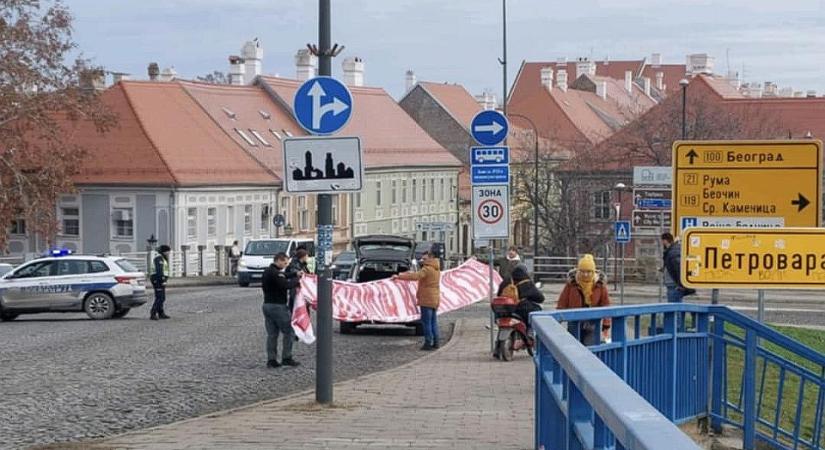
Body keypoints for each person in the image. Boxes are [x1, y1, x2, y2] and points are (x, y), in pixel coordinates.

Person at [556, 254, 611, 346]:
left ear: (593, 271)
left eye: (589, 271)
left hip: (592, 322)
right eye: (582, 271)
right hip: (574, 320)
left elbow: (606, 304)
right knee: (573, 347)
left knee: (590, 349)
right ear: (578, 271)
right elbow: (563, 302)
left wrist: (606, 323)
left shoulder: (600, 285)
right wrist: (558, 319)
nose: (585, 274)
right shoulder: (571, 284)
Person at [393, 250, 441, 351]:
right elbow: (417, 274)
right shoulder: (436, 269)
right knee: (433, 322)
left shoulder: (427, 269)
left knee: (426, 322)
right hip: (434, 299)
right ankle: (436, 342)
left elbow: (415, 276)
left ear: (431, 257)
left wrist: (399, 277)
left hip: (426, 299)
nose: (422, 260)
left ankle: (428, 343)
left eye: (425, 258)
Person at [261, 252, 303, 368]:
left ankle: (271, 360)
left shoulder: (268, 271)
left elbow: (285, 275)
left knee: (272, 334)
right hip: (278, 306)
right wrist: (298, 280)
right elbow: (285, 284)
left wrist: (294, 273)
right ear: (278, 260)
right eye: (284, 262)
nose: (285, 264)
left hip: (267, 305)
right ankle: (286, 357)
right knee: (289, 331)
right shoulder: (276, 273)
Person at [662, 233, 696, 303]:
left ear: (665, 241)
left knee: (673, 307)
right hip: (673, 283)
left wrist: (680, 284)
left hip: (674, 284)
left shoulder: (673, 252)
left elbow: (679, 268)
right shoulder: (673, 251)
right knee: (675, 306)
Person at [149, 245, 171, 320]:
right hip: (157, 280)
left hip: (159, 280)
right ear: (164, 252)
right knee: (160, 298)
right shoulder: (159, 259)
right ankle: (153, 313)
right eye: (168, 251)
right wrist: (163, 280)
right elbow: (159, 271)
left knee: (161, 297)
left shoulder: (163, 259)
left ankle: (161, 312)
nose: (169, 253)